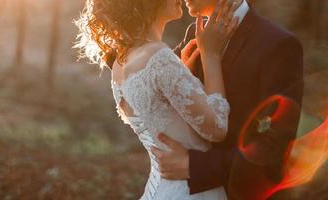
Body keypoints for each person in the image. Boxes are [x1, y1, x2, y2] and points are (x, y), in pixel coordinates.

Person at [75, 0, 241, 199]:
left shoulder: (121, 63)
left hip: (162, 189)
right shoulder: (158, 56)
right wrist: (210, 55)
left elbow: (166, 113)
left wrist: (184, 73)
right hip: (193, 192)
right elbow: (217, 127)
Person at [151, 0, 304, 199]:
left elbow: (272, 146)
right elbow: (150, 82)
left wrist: (194, 166)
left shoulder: (279, 45)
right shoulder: (195, 32)